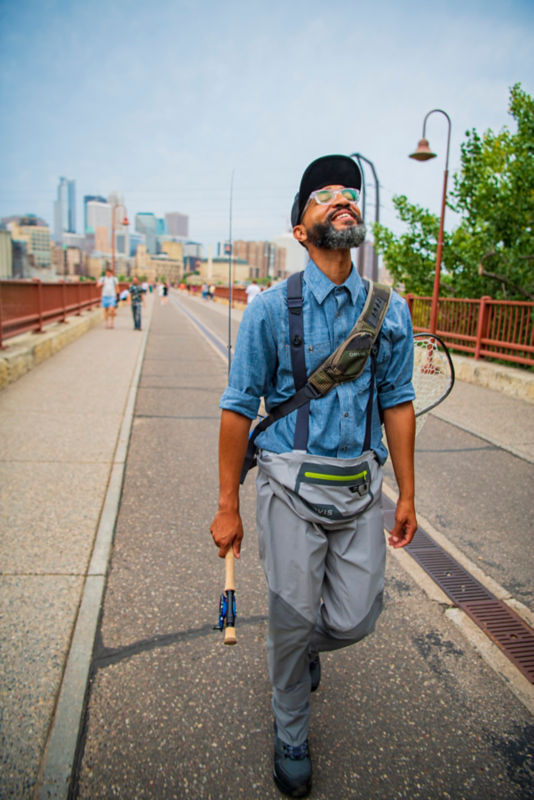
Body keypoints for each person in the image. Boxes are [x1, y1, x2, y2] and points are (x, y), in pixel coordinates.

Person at [210, 154, 417, 798]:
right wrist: (228, 504)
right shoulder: (270, 312)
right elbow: (239, 408)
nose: (342, 199)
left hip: (359, 489)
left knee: (356, 618)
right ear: (300, 230)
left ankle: (295, 651)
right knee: (293, 611)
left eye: (349, 193)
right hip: (287, 486)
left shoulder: (391, 312)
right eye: (324, 195)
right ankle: (291, 729)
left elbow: (398, 402)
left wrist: (408, 491)